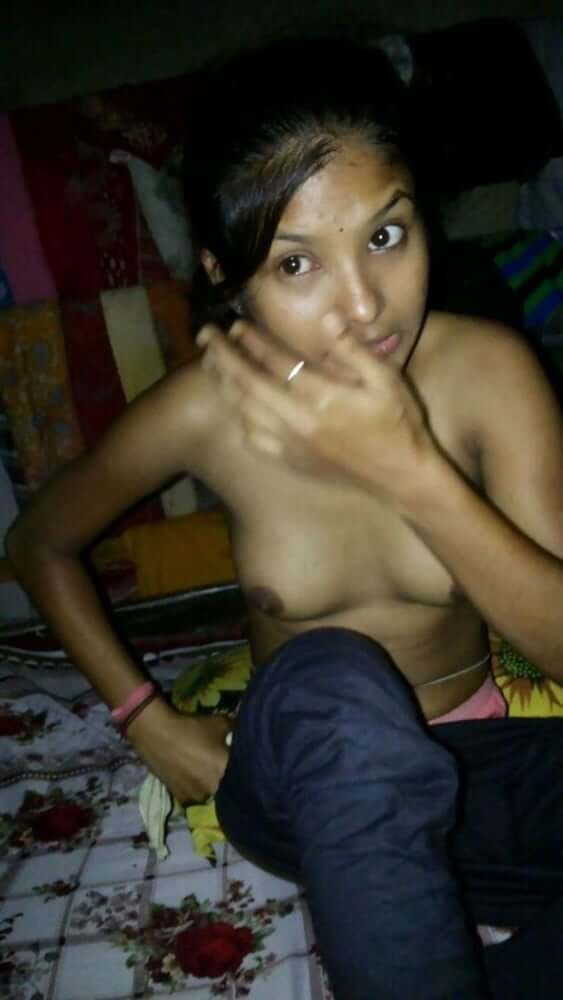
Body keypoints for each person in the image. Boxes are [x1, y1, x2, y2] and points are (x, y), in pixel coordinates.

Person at [7, 37, 563, 1000]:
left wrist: (415, 474)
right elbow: (37, 542)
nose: (363, 306)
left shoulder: (488, 374)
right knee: (334, 673)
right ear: (226, 276)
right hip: (308, 782)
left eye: (385, 237)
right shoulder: (205, 409)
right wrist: (146, 720)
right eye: (297, 262)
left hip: (478, 772)